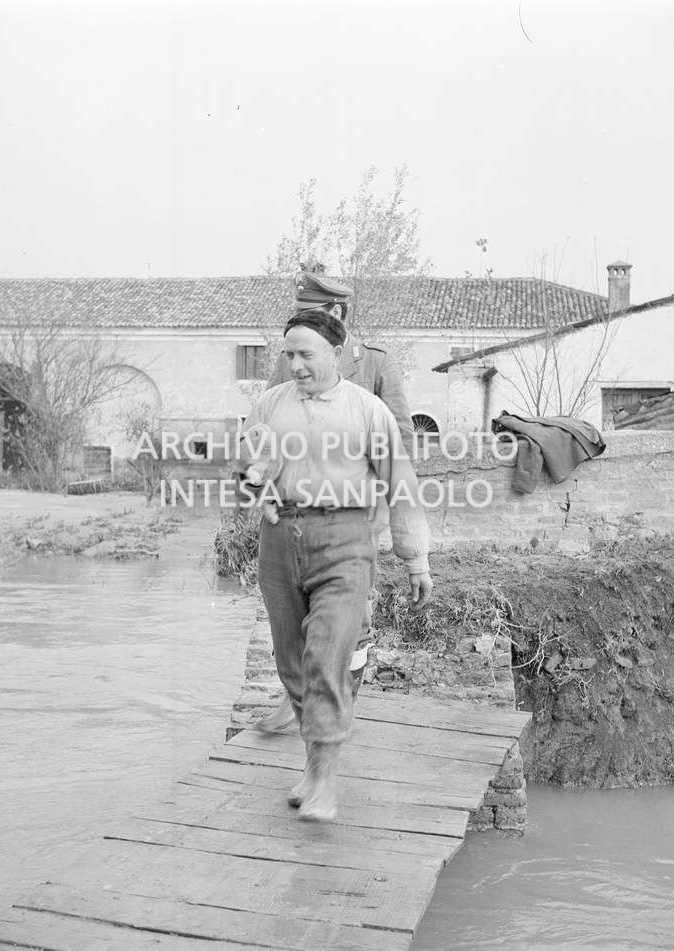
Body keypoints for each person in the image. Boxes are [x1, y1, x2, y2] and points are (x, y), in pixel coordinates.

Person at [241, 308, 433, 822]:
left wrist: (415, 559)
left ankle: (325, 781)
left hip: (346, 540)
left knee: (326, 656)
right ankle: (313, 766)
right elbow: (248, 465)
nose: (295, 365)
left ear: (336, 352)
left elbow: (401, 484)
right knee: (292, 663)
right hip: (280, 541)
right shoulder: (269, 404)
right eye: (289, 355)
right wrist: (256, 486)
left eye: (306, 354)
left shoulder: (368, 411)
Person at [254, 268, 414, 732]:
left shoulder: (376, 364)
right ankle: (298, 700)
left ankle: (345, 699)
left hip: (356, 514)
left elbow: (401, 438)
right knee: (293, 613)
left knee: (354, 616)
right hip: (294, 516)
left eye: (314, 313)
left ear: (337, 312)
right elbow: (264, 430)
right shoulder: (291, 363)